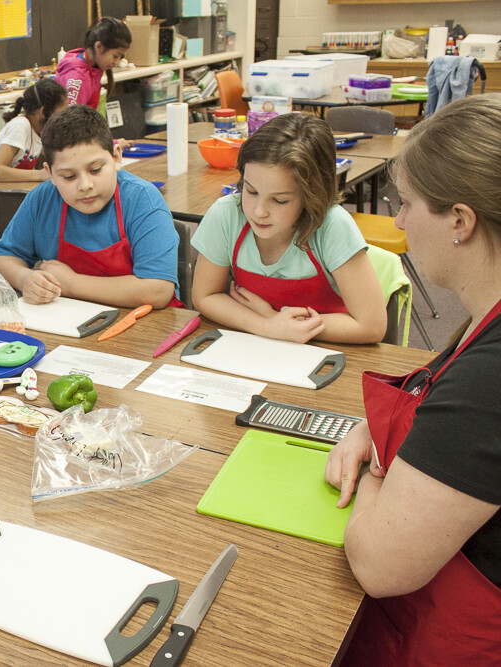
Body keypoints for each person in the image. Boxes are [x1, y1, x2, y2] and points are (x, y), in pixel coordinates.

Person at [324, 95, 501, 665]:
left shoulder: (488, 379)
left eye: (407, 204)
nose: (397, 221)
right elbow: (437, 391)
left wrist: (378, 466)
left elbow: (380, 564)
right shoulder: (483, 313)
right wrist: (369, 428)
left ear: (460, 221)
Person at [191, 113, 386, 344]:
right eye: (251, 191)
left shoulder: (333, 226)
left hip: (329, 353)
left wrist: (277, 320)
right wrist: (267, 325)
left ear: (312, 196)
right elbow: (204, 296)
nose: (259, 211)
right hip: (260, 346)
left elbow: (371, 326)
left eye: (280, 200)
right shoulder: (227, 215)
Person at [0, 104, 183, 309]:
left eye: (95, 170)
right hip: (68, 322)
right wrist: (25, 278)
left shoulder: (142, 201)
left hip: (144, 328)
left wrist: (72, 284)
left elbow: (158, 291)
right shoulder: (42, 200)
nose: (85, 186)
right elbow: (4, 256)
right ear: (50, 173)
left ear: (116, 157)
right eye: (69, 176)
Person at [0, 78, 68, 230]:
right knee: (51, 220)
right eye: (60, 113)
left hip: (7, 200)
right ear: (42, 112)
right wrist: (40, 175)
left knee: (57, 209)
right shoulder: (20, 126)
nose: (62, 119)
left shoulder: (38, 131)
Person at [55, 17, 131, 110]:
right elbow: (69, 122)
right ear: (98, 47)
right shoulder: (78, 78)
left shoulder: (92, 67)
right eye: (115, 56)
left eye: (120, 57)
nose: (117, 61)